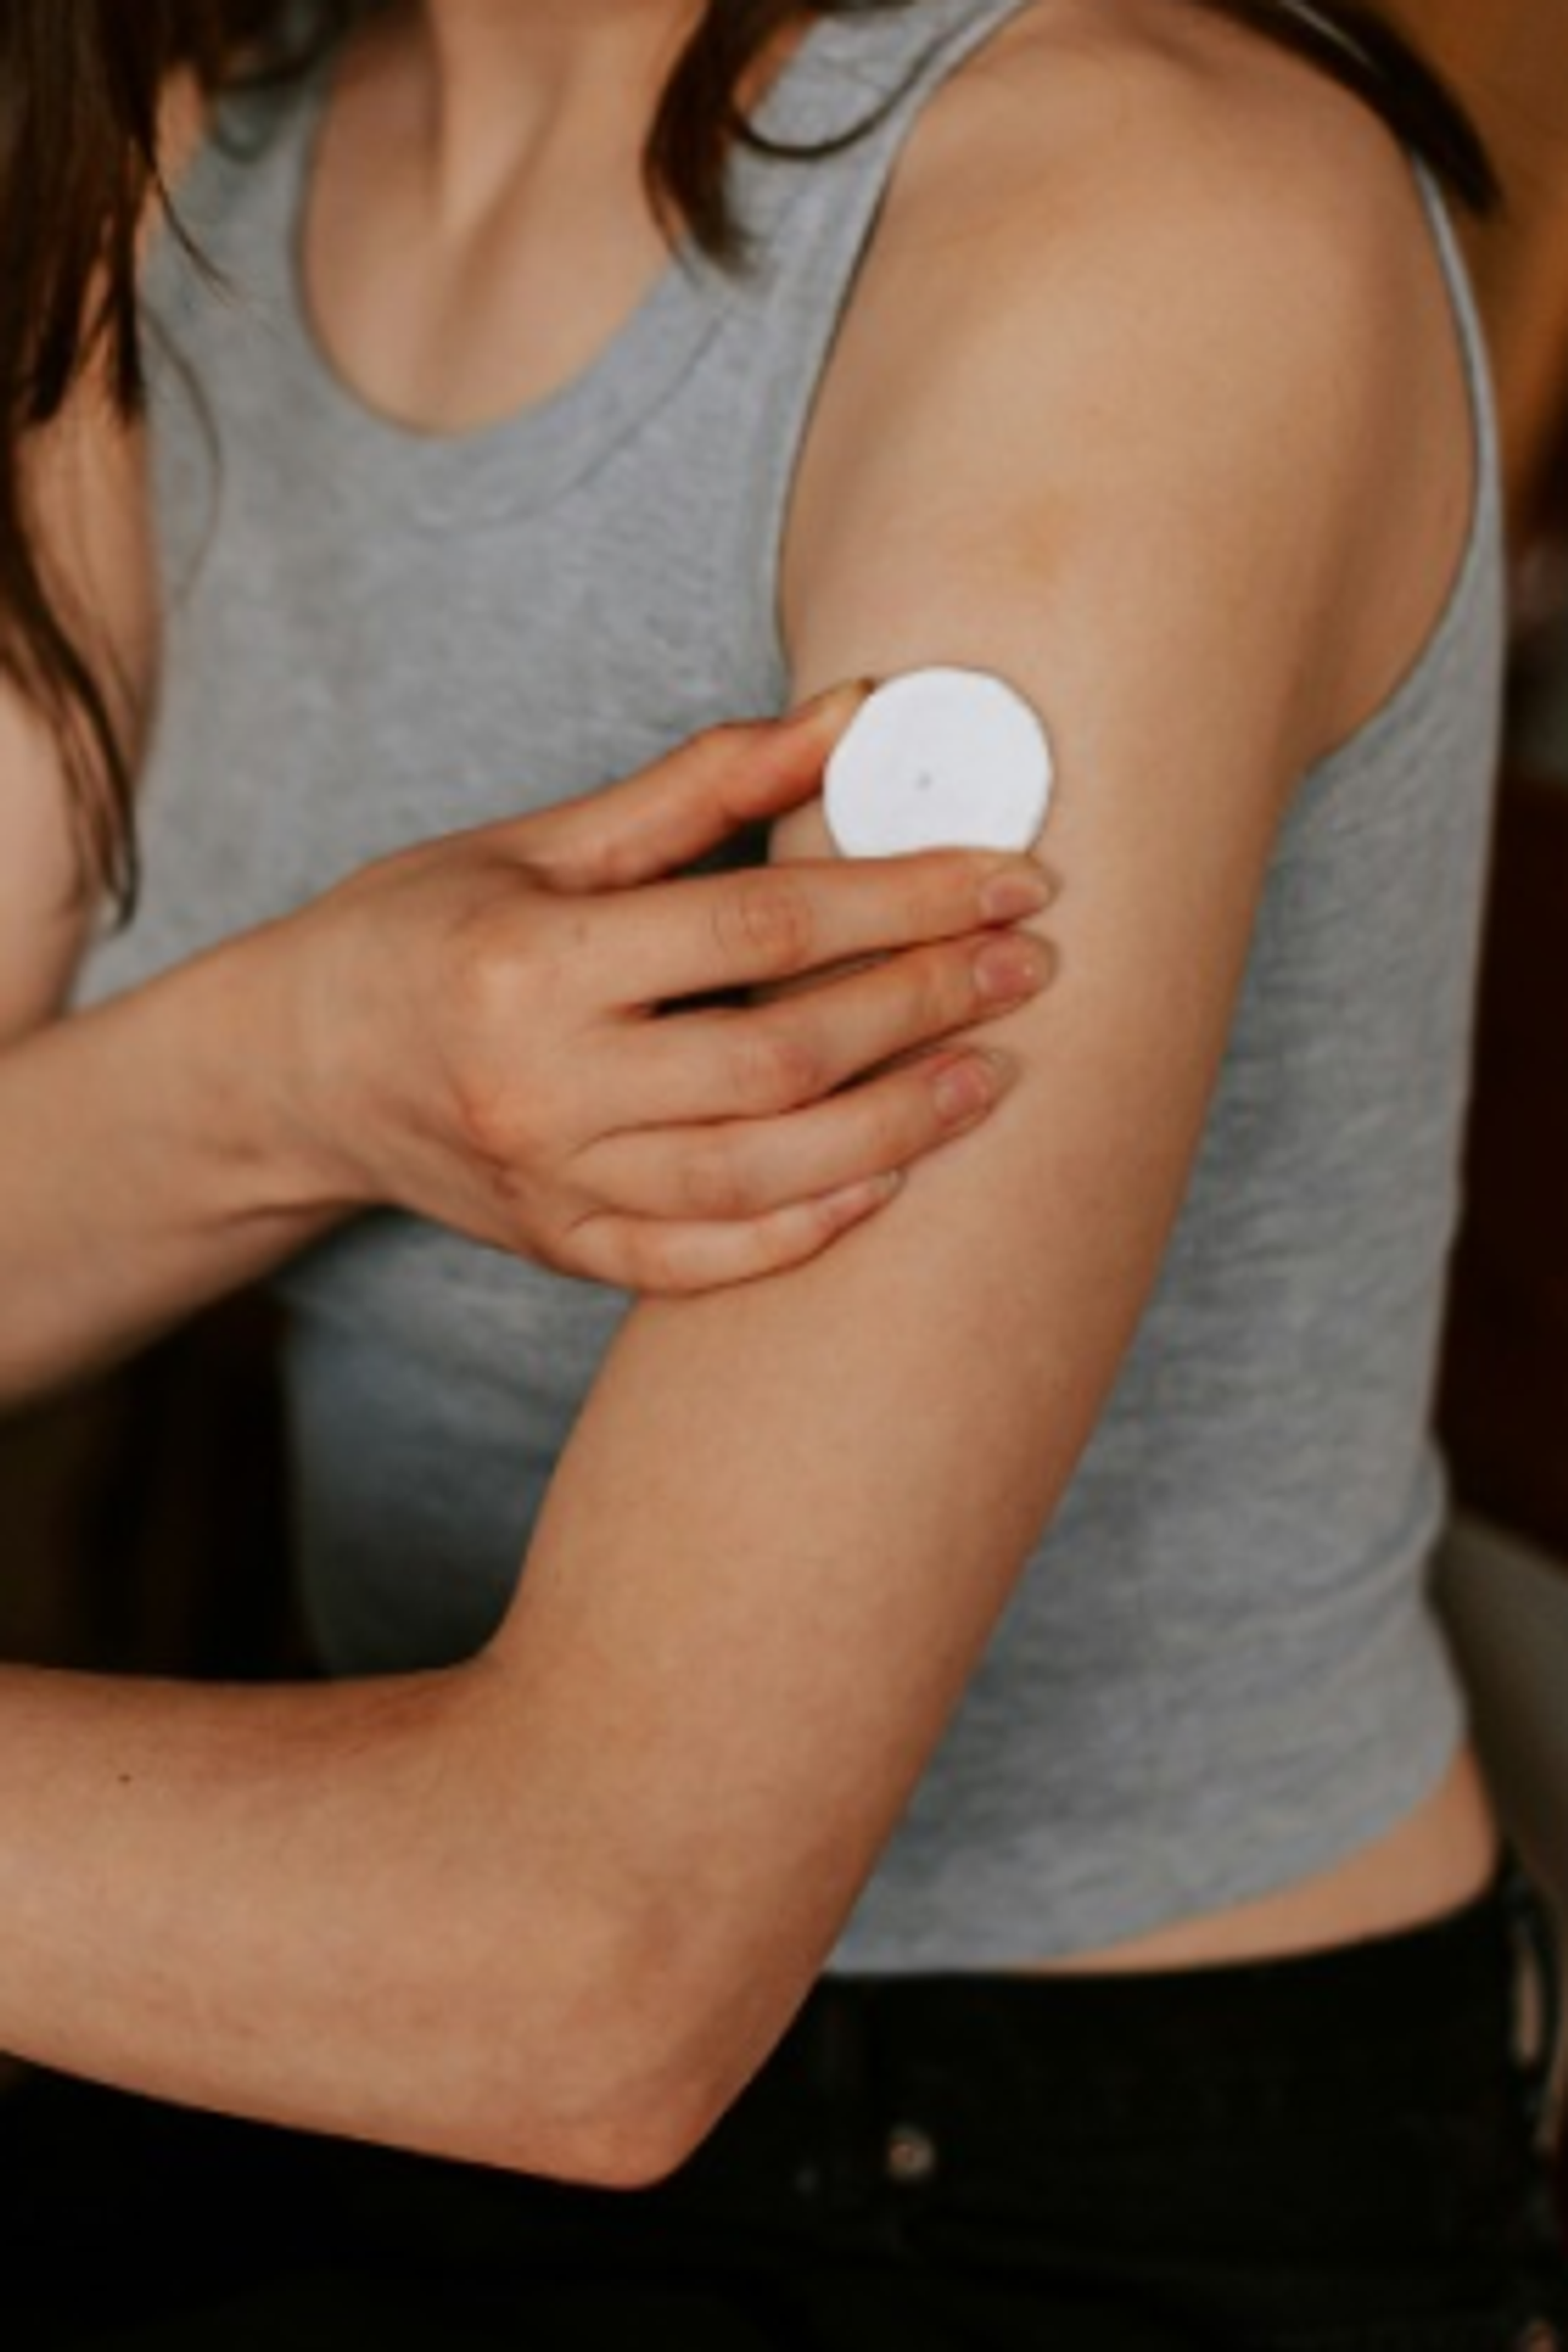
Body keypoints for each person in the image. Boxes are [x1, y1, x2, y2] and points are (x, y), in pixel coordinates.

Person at [1, 0, 1564, 2341]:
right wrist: (304, 1061)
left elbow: (587, 1964)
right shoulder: (191, 157)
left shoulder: (1131, 227)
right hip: (314, 2014)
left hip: (1058, 2168)